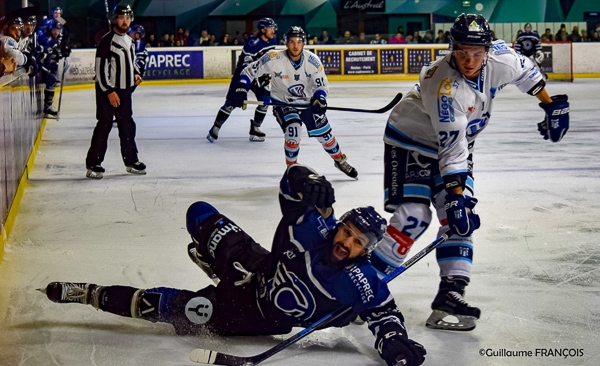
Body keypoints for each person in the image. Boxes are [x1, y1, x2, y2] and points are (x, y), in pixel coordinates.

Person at [40, 163, 427, 366]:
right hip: (257, 266)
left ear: (367, 251)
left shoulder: (359, 284)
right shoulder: (309, 227)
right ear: (338, 224)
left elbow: (385, 316)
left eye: (358, 242)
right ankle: (219, 265)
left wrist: (393, 344)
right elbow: (291, 183)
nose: (347, 243)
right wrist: (308, 178)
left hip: (247, 316)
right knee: (200, 214)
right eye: (347, 232)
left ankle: (92, 294)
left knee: (170, 309)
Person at [370, 13, 569, 332]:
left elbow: (528, 72)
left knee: (458, 221)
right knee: (414, 217)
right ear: (452, 49)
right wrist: (457, 197)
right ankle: (364, 284)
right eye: (463, 52)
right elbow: (452, 150)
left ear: (488, 50)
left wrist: (550, 104)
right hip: (410, 142)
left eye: (477, 53)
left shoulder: (501, 59)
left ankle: (451, 293)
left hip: (457, 146)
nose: (470, 60)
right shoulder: (443, 84)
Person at [231, 26, 359, 179]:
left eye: (298, 41)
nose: (295, 45)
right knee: (293, 132)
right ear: (286, 43)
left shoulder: (313, 61)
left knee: (325, 136)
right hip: (283, 104)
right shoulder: (273, 58)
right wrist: (241, 88)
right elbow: (249, 71)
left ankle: (339, 160)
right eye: (291, 41)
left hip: (307, 103)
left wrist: (320, 98)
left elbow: (321, 86)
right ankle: (291, 172)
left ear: (304, 43)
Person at [85, 5, 146, 179]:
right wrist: (110, 91)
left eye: (127, 17)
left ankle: (131, 161)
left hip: (125, 91)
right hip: (108, 91)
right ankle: (93, 163)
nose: (125, 21)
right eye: (121, 17)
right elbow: (100, 70)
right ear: (115, 19)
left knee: (127, 125)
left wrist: (135, 74)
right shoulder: (107, 41)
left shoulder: (129, 40)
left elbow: (131, 62)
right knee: (104, 125)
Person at [206, 18, 278, 143]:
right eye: (271, 28)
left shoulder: (273, 40)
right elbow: (247, 65)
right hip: (244, 75)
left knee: (265, 101)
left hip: (260, 76)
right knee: (232, 103)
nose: (273, 30)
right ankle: (215, 128)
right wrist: (242, 86)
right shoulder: (252, 43)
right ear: (263, 30)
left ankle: (255, 128)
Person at [128, 24, 148, 90]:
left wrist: (132, 71)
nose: (129, 34)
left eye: (131, 32)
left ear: (137, 35)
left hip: (136, 73)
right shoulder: (135, 43)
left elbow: (140, 61)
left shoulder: (138, 43)